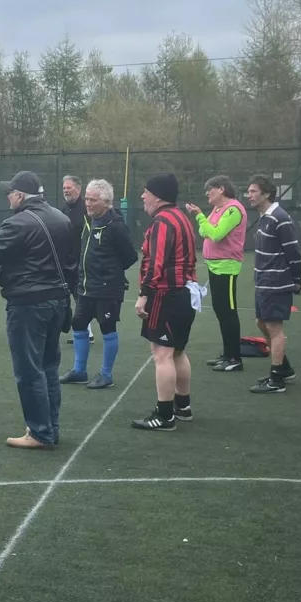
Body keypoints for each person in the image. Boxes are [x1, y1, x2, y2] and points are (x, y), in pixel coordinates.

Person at [0, 171, 75, 449]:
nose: (8, 197)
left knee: (29, 370)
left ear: (20, 195)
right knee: (48, 367)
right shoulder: (62, 218)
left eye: (10, 192)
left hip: (28, 303)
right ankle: (50, 428)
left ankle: (40, 433)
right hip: (57, 301)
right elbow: (70, 264)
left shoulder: (18, 222)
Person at [132, 173, 197, 432]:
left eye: (146, 192)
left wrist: (144, 295)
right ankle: (183, 406)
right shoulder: (181, 217)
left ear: (158, 196)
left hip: (166, 294)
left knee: (162, 354)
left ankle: (165, 415)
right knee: (177, 351)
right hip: (185, 293)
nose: (143, 196)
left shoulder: (163, 221)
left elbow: (155, 264)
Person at [60, 179, 138, 389]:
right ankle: (79, 371)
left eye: (93, 200)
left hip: (107, 289)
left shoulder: (116, 226)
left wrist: (108, 271)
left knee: (107, 327)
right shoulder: (88, 220)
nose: (88, 203)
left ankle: (106, 374)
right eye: (87, 198)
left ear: (106, 202)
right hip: (86, 286)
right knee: (78, 324)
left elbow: (130, 257)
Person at [246, 174, 301, 394]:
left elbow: (293, 251)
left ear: (266, 193)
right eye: (249, 191)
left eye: (253, 191)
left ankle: (277, 379)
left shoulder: (280, 217)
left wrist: (296, 279)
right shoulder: (265, 217)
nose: (249, 195)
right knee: (261, 323)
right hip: (263, 281)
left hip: (276, 282)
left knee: (274, 328)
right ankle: (284, 368)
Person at [186, 175, 247, 373]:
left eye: (210, 189)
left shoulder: (233, 209)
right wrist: (206, 224)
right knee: (220, 310)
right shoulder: (218, 209)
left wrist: (199, 216)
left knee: (228, 312)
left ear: (221, 189)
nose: (207, 194)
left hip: (227, 267)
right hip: (215, 266)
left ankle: (234, 358)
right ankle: (227, 354)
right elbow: (205, 232)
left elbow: (215, 234)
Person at [62, 174, 94, 344]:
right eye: (64, 188)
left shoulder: (86, 209)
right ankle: (86, 332)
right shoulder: (63, 209)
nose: (66, 190)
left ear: (79, 189)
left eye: (69, 187)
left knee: (81, 296)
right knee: (73, 296)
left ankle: (86, 332)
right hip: (67, 261)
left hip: (82, 262)